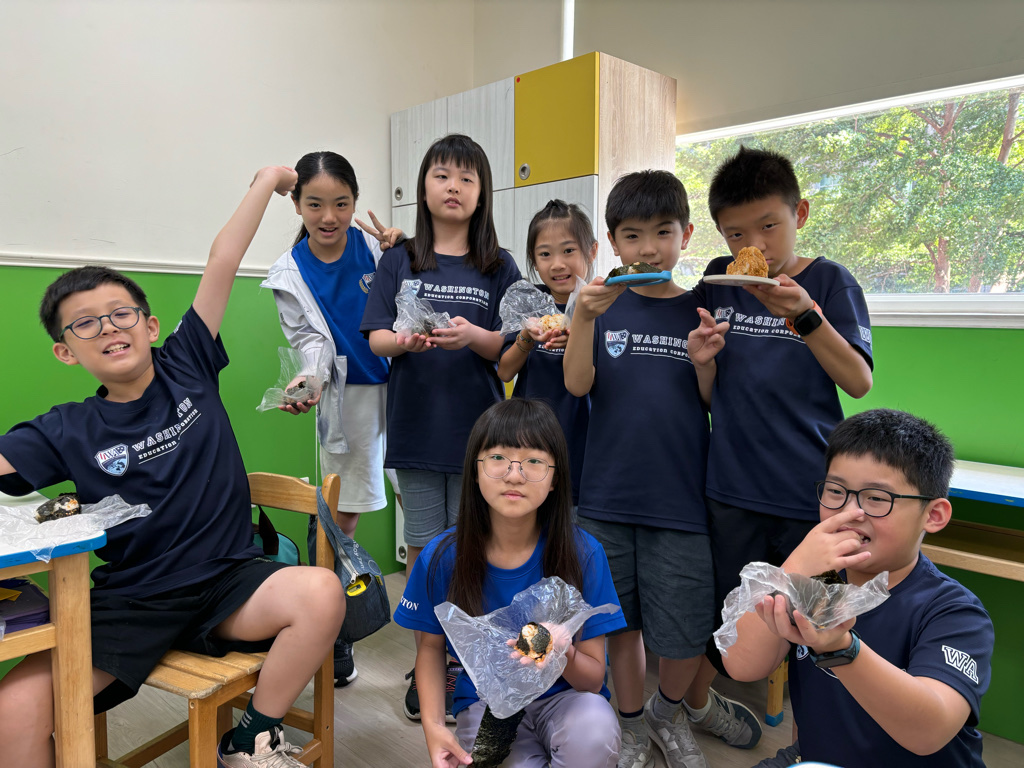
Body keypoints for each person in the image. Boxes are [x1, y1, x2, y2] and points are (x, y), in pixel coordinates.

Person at [0, 166, 345, 768]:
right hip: (132, 600)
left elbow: (223, 259)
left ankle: (251, 739)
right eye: (85, 323)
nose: (109, 328)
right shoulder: (66, 427)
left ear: (150, 324)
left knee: (320, 591)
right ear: (65, 351)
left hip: (229, 583)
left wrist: (268, 181)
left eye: (121, 313)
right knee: (13, 711)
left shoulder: (186, 363)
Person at [564, 170, 760, 768]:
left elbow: (711, 404)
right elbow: (578, 384)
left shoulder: (702, 307)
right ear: (612, 242)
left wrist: (704, 364)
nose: (648, 249)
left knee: (686, 626)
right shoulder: (601, 304)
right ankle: (629, 727)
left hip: (681, 500)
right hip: (606, 498)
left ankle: (666, 713)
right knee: (620, 625)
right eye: (632, 235)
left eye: (662, 232)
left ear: (686, 235)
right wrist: (582, 318)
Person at [685, 147, 874, 752]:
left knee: (815, 623)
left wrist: (807, 316)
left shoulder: (830, 282)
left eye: (769, 225)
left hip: (807, 493)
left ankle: (812, 742)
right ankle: (698, 706)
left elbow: (859, 381)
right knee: (733, 615)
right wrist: (703, 363)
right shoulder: (720, 279)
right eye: (737, 233)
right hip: (732, 486)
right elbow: (711, 398)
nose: (755, 244)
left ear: (801, 214)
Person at [722, 409, 993, 768]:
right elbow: (741, 666)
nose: (849, 512)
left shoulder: (953, 611)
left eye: (877, 498)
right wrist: (792, 572)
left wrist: (841, 649)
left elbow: (930, 731)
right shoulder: (820, 582)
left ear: (933, 515)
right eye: (836, 491)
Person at [360, 133, 522, 720]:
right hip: (417, 431)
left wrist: (475, 336)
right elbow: (376, 338)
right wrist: (403, 341)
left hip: (483, 438)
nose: (453, 187)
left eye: (467, 178)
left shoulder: (500, 265)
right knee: (426, 552)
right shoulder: (399, 259)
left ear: (482, 194)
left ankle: (465, 660)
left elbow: (511, 353)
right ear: (423, 188)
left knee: (476, 549)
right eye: (442, 175)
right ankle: (428, 659)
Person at [394, 398, 626, 768]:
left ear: (555, 478)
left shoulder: (584, 553)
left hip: (566, 699)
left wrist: (561, 651)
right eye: (498, 457)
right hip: (486, 703)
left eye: (534, 461)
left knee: (594, 733)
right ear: (475, 470)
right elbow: (431, 650)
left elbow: (593, 680)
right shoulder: (442, 556)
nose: (514, 475)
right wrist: (433, 727)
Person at [261, 150, 403, 688]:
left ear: (355, 202)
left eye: (341, 203)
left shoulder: (374, 248)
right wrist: (309, 381)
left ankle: (436, 630)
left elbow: (416, 299)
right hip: (350, 396)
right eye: (316, 204)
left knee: (424, 501)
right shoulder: (290, 271)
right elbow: (307, 341)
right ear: (297, 204)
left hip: (407, 384)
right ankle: (333, 628)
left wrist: (404, 251)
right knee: (343, 514)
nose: (329, 216)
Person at [497, 199, 598, 507]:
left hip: (583, 439)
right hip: (529, 440)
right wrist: (527, 335)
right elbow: (505, 371)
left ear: (592, 251)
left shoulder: (600, 305)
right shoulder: (528, 302)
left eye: (568, 251)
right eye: (545, 254)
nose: (557, 264)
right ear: (533, 259)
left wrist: (579, 342)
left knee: (573, 523)